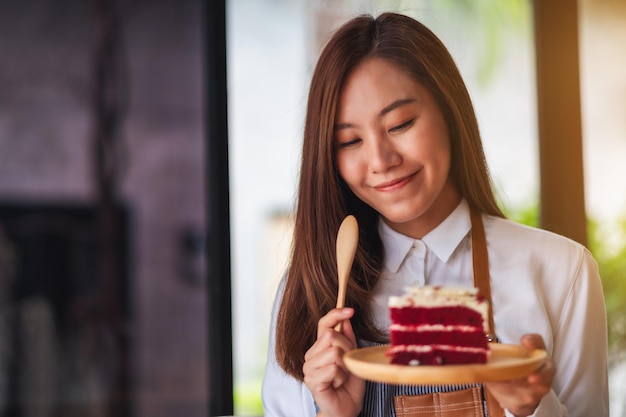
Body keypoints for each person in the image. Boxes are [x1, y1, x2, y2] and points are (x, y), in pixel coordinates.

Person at [261, 12, 609, 417]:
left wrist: (532, 407)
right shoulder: (308, 288)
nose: (381, 160)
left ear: (449, 111)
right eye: (350, 140)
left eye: (401, 123)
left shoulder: (562, 271)